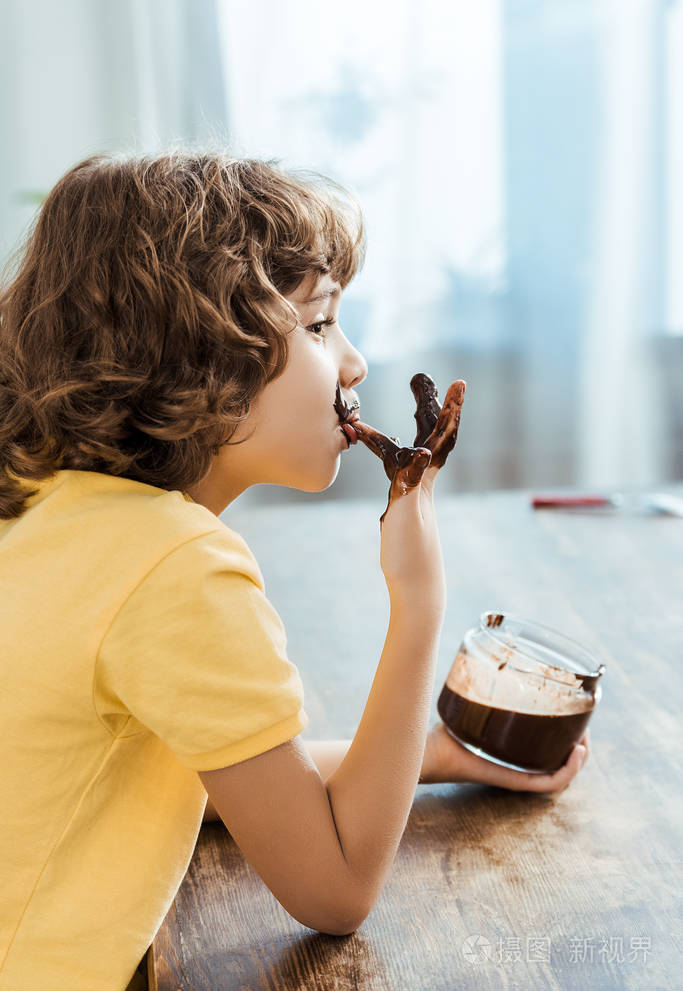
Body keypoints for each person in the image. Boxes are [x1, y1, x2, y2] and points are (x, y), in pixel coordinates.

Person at [0, 152, 589, 991]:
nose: (353, 364)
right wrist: (417, 605)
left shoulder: (48, 508)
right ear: (202, 356)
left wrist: (433, 757)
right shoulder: (174, 569)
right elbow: (336, 886)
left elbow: (209, 775)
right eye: (318, 325)